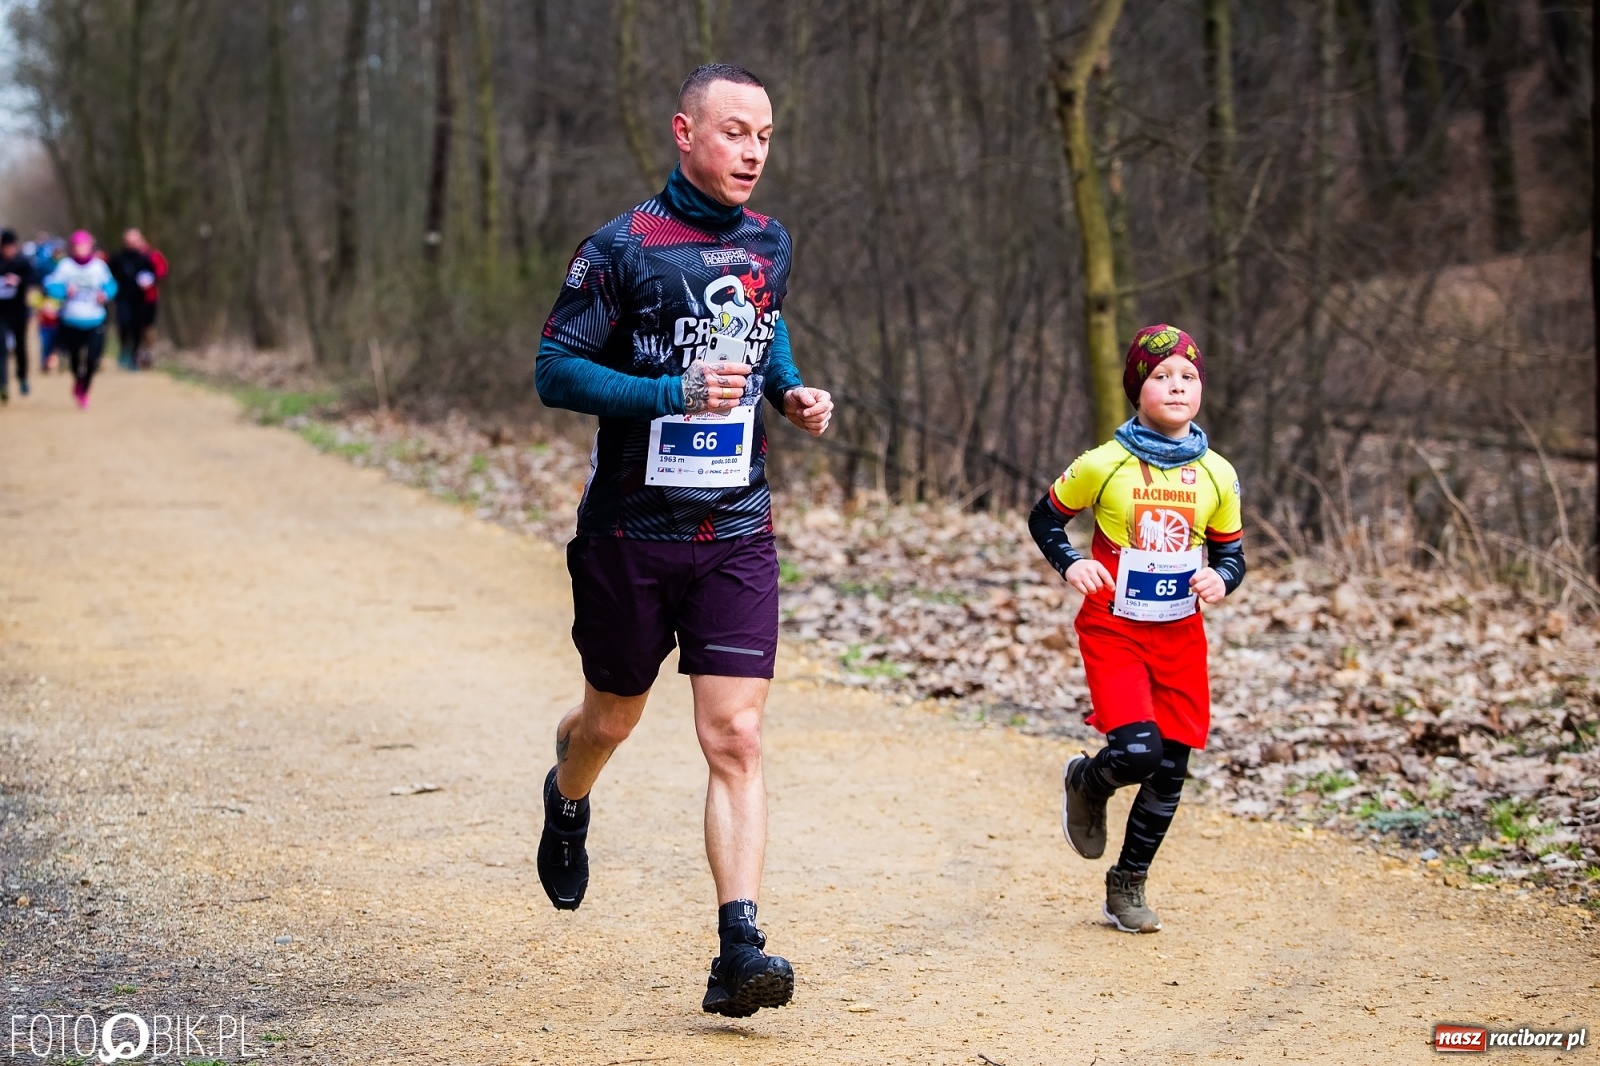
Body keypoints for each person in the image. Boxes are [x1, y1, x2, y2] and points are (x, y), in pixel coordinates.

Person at [533, 63, 833, 1018]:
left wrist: (789, 391)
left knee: (735, 735)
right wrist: (671, 392)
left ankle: (739, 947)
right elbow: (554, 369)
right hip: (630, 530)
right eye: (735, 131)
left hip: (735, 526)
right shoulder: (620, 248)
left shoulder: (769, 243)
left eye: (765, 136)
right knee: (610, 721)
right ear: (684, 131)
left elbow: (765, 332)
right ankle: (567, 794)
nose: (753, 151)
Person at [1028, 324, 1246, 934]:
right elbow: (1044, 518)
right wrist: (1071, 563)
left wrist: (1221, 579)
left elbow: (1232, 555)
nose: (1177, 386)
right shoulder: (1104, 463)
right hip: (1114, 629)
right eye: (1161, 376)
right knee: (1137, 752)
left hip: (1181, 635)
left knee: (1171, 768)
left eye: (1188, 376)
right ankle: (1088, 781)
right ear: (1137, 388)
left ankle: (1127, 883)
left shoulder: (1218, 474)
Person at [43, 231, 117, 409]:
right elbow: (51, 286)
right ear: (73, 248)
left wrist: (105, 294)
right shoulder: (65, 266)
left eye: (84, 246)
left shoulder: (99, 266)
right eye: (77, 246)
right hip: (71, 319)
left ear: (90, 247)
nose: (80, 249)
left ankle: (84, 389)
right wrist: (64, 291)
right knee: (75, 359)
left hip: (95, 318)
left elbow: (111, 285)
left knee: (93, 360)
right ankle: (78, 380)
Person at [109, 229, 157, 370]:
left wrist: (148, 282)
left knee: (137, 327)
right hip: (123, 296)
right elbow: (109, 274)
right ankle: (124, 348)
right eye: (129, 241)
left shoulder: (145, 259)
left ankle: (135, 356)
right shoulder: (118, 258)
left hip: (139, 298)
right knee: (124, 323)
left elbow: (153, 275)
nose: (132, 244)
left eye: (134, 241)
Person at [0, 230, 37, 402]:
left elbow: (34, 278)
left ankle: (22, 377)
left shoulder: (22, 262)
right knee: (1, 347)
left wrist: (19, 280)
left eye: (12, 247)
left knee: (20, 346)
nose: (9, 250)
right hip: (1, 312)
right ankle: (3, 383)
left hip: (19, 311)